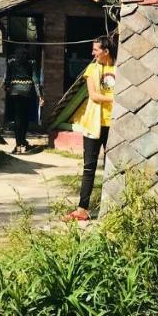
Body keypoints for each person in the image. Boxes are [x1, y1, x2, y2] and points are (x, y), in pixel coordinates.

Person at [65, 36, 116, 222]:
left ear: (106, 51)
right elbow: (94, 96)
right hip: (95, 123)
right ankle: (82, 208)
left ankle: (112, 207)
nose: (93, 53)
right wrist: (117, 98)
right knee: (89, 167)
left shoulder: (120, 68)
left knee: (114, 167)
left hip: (114, 125)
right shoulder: (92, 69)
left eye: (96, 50)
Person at [4, 47, 42, 154]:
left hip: (15, 91)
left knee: (17, 118)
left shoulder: (11, 62)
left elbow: (8, 77)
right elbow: (35, 79)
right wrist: (40, 95)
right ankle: (23, 142)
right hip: (27, 92)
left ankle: (18, 145)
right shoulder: (31, 62)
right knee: (24, 118)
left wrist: (7, 87)